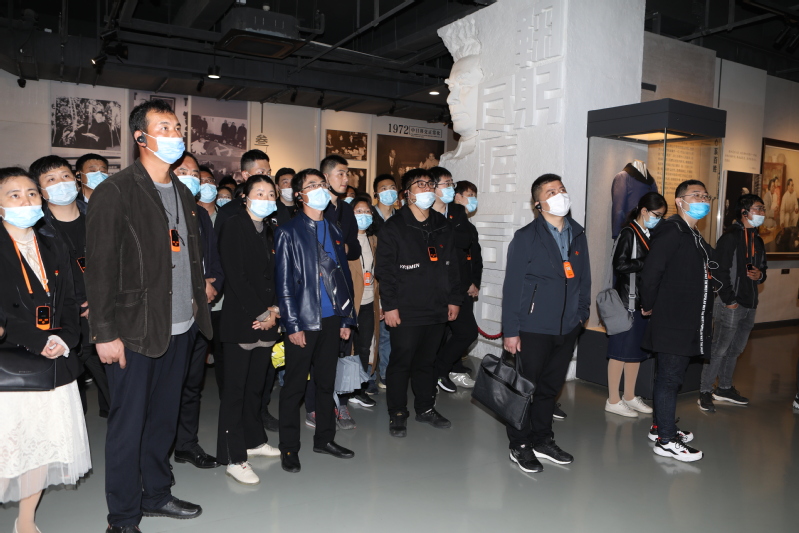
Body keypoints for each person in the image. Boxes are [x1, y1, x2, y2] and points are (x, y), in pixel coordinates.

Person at [86, 100, 212, 532]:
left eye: (177, 127)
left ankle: (156, 494)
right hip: (134, 331)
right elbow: (100, 268)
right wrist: (104, 333)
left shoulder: (182, 191)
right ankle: (122, 517)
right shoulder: (116, 191)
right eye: (165, 127)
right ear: (141, 137)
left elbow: (187, 255)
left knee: (163, 419)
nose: (176, 134)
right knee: (128, 426)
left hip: (180, 326)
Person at [0, 167, 91, 533]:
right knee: (8, 442)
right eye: (14, 195)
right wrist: (39, 340)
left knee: (43, 442)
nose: (26, 200)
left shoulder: (52, 244)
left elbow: (69, 299)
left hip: (53, 356)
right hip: (12, 357)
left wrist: (65, 337)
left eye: (31, 193)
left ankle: (26, 520)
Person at [501, 174, 590, 473]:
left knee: (550, 389)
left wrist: (581, 313)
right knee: (525, 389)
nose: (559, 194)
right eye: (551, 191)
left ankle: (542, 439)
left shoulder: (578, 233)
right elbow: (512, 287)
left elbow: (584, 278)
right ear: (538, 203)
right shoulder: (526, 237)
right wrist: (511, 331)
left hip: (567, 327)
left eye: (561, 189)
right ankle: (519, 444)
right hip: (532, 326)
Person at [275, 169, 357, 473]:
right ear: (300, 195)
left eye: (322, 184)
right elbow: (284, 285)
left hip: (333, 319)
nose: (321, 188)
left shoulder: (334, 229)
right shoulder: (288, 231)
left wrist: (347, 318)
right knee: (294, 388)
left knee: (326, 384)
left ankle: (325, 439)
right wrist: (292, 325)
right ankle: (289, 448)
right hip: (304, 321)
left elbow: (343, 277)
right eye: (313, 185)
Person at [376, 168, 461, 438]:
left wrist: (454, 299)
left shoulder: (442, 224)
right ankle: (398, 412)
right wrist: (390, 306)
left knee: (427, 361)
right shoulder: (394, 226)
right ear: (407, 193)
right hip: (405, 308)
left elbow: (453, 265)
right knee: (401, 362)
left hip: (437, 306)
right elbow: (385, 270)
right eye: (420, 184)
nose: (427, 189)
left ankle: (425, 407)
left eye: (429, 184)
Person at [640, 179, 718, 463]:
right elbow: (652, 272)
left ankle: (660, 427)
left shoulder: (693, 234)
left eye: (705, 196)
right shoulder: (671, 230)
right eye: (696, 195)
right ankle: (666, 441)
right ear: (680, 201)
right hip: (672, 318)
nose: (702, 200)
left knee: (671, 376)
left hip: (687, 318)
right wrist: (648, 305)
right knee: (670, 378)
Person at [30, 155, 111, 418]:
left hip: (106, 315)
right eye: (51, 179)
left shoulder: (100, 215)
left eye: (65, 176)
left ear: (76, 180)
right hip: (65, 320)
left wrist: (100, 301)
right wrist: (74, 305)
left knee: (118, 391)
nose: (60, 183)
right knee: (71, 401)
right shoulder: (36, 228)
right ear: (40, 189)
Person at [216, 174, 282, 485]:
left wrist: (275, 311)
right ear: (245, 197)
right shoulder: (234, 226)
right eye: (260, 193)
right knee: (235, 392)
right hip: (242, 320)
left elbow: (279, 276)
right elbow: (236, 277)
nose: (266, 199)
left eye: (271, 194)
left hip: (267, 321)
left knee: (256, 388)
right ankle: (233, 457)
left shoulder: (270, 229)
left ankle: (254, 440)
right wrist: (262, 312)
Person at [170, 152, 224, 471]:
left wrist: (211, 284)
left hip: (198, 313)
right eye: (183, 172)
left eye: (194, 173)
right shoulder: (157, 210)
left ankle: (186, 445)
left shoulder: (200, 214)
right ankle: (158, 450)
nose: (190, 178)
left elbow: (215, 259)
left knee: (192, 384)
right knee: (165, 388)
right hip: (168, 317)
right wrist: (194, 285)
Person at [698, 194, 768, 412]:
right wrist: (729, 300)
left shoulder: (757, 240)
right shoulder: (730, 238)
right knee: (719, 348)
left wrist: (760, 275)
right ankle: (705, 391)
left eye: (763, 209)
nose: (762, 213)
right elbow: (718, 271)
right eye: (758, 209)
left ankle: (724, 388)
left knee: (736, 349)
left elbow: (763, 268)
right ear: (744, 212)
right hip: (731, 304)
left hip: (750, 303)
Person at [604, 192, 667, 418]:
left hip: (641, 301)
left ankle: (629, 395)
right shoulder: (629, 233)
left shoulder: (648, 233)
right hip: (626, 302)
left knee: (635, 351)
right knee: (619, 352)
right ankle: (613, 399)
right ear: (644, 211)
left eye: (661, 216)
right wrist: (648, 261)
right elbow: (620, 265)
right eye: (656, 214)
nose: (658, 219)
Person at [428, 167, 480, 392]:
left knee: (467, 332)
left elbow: (466, 243)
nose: (451, 187)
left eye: (452, 183)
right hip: (433, 286)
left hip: (458, 285)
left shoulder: (457, 211)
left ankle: (441, 369)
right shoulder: (424, 213)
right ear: (433, 187)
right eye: (446, 184)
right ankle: (433, 374)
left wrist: (471, 281)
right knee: (434, 337)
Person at [346, 196, 381, 405]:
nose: (364, 215)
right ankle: (345, 389)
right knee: (348, 348)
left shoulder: (373, 240)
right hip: (351, 303)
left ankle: (359, 388)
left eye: (367, 211)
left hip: (369, 302)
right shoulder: (346, 241)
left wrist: (381, 303)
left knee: (365, 347)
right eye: (359, 211)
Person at [370, 173, 399, 388]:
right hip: (372, 280)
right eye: (384, 188)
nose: (389, 192)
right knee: (373, 332)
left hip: (397, 281)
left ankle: (387, 372)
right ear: (376, 194)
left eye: (392, 187)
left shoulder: (401, 218)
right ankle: (369, 377)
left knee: (390, 332)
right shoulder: (369, 216)